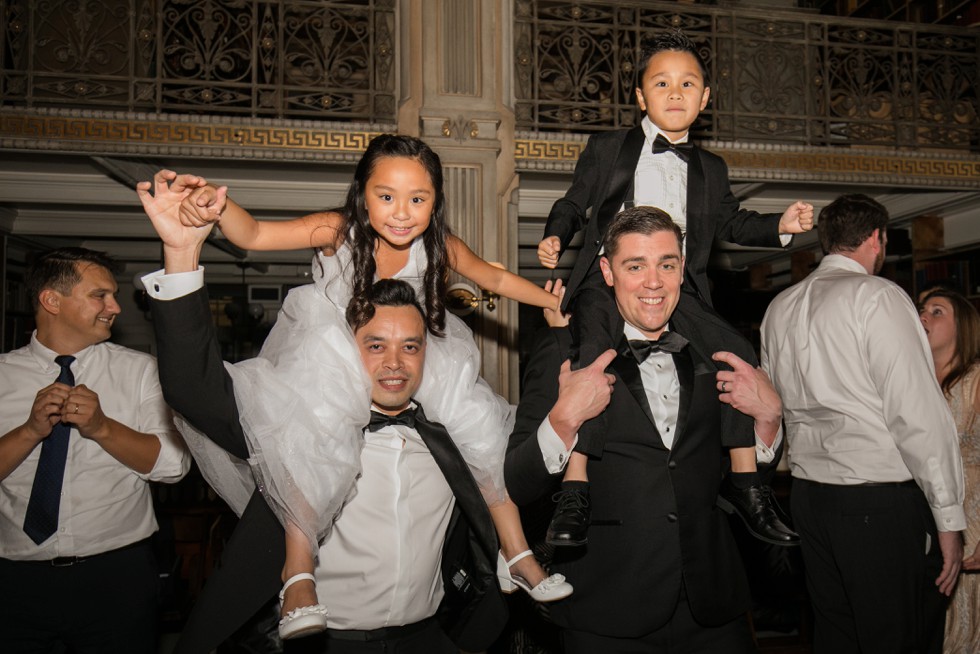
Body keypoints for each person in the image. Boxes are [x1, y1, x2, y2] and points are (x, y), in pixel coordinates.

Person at [137, 134, 569, 642]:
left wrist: (549, 301)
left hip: (416, 342)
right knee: (315, 435)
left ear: (436, 201)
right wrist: (217, 206)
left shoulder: (441, 247)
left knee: (481, 431)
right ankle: (297, 573)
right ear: (362, 194)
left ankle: (515, 552)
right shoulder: (338, 230)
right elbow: (253, 235)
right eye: (386, 196)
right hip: (332, 345)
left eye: (418, 198)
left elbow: (493, 281)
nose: (402, 212)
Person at [537, 29, 809, 548]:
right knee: (593, 359)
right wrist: (555, 234)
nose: (676, 93)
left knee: (739, 355)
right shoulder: (607, 148)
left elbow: (731, 222)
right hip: (606, 276)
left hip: (677, 284)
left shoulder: (710, 168)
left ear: (705, 98)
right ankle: (574, 490)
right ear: (640, 96)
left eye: (689, 84)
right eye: (662, 83)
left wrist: (782, 225)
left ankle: (748, 483)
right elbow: (574, 203)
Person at [506, 206, 786, 653]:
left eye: (667, 264)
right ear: (607, 271)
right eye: (635, 266)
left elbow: (737, 482)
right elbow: (517, 482)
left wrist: (769, 420)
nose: (653, 282)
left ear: (682, 270)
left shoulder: (714, 349)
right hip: (607, 611)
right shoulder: (564, 348)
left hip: (714, 609)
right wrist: (562, 421)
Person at [761, 194, 966, 653]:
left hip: (811, 498)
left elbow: (774, 406)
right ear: (877, 239)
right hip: (877, 503)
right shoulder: (878, 297)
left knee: (839, 636)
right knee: (899, 636)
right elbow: (915, 413)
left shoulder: (781, 306)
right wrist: (949, 517)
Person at [0, 247, 190, 654]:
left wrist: (102, 428)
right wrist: (31, 431)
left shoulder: (142, 371)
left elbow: (174, 466)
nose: (116, 307)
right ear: (52, 300)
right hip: (14, 580)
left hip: (115, 576)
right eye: (100, 295)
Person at [920, 288, 980, 653]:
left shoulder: (974, 380)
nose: (924, 315)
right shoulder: (913, 383)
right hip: (926, 517)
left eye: (937, 311)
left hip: (972, 518)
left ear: (964, 328)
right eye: (922, 309)